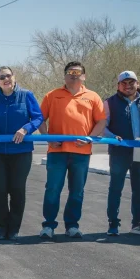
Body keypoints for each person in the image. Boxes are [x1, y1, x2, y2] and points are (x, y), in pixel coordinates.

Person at [38, 61, 106, 240]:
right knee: (53, 189)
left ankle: (72, 226)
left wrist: (89, 137)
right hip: (57, 152)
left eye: (78, 73)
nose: (74, 75)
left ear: (84, 76)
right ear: (65, 76)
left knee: (77, 191)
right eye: (70, 72)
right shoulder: (52, 95)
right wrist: (48, 139)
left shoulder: (93, 96)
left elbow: (101, 121)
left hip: (81, 153)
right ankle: (48, 226)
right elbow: (40, 119)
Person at [0, 66, 43, 240]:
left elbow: (38, 117)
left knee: (17, 189)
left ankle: (14, 229)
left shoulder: (26, 95)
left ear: (14, 77)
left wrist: (26, 129)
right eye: (2, 77)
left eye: (8, 76)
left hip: (21, 151)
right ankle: (2, 228)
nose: (6, 79)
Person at [103, 71, 140, 237]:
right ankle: (113, 224)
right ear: (118, 86)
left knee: (139, 189)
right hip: (119, 151)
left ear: (138, 83)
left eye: (131, 82)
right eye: (124, 83)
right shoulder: (109, 102)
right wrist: (113, 137)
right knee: (116, 187)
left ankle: (138, 224)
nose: (128, 86)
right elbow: (102, 126)